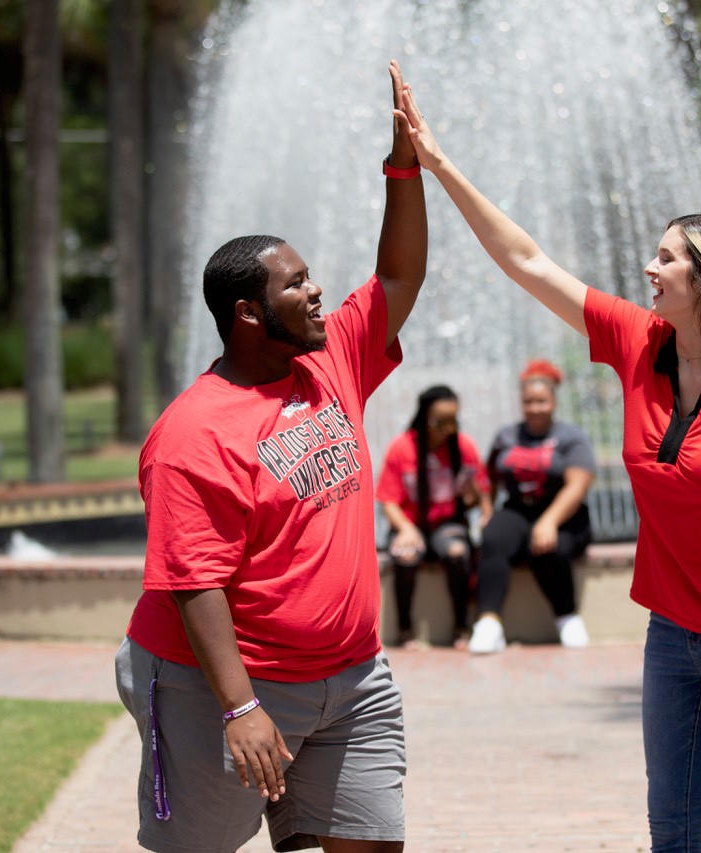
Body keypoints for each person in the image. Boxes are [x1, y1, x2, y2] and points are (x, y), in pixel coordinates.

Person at [391, 65, 701, 852]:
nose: (649, 269)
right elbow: (529, 262)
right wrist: (439, 165)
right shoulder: (638, 341)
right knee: (671, 832)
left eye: (666, 259)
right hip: (671, 630)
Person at [113, 61, 425, 853]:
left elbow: (398, 273)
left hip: (353, 677)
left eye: (312, 277)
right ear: (249, 312)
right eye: (297, 286)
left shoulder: (332, 359)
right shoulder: (194, 434)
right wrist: (239, 706)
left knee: (372, 841)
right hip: (217, 685)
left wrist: (405, 163)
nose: (317, 292)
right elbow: (193, 580)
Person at [466, 358, 596, 654]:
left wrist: (549, 521)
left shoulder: (570, 437)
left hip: (564, 513)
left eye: (541, 401)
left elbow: (578, 485)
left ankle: (567, 617)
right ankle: (488, 622)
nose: (534, 408)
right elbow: (490, 478)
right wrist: (486, 511)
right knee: (495, 538)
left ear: (553, 401)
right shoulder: (507, 435)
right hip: (518, 509)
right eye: (528, 402)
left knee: (550, 547)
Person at [377, 384, 492, 648]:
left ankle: (461, 626)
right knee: (405, 556)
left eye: (453, 420)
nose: (447, 428)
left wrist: (476, 498)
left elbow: (478, 500)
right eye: (440, 420)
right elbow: (387, 501)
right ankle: (406, 629)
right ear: (424, 416)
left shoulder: (463, 446)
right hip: (410, 522)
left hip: (447, 524)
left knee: (457, 552)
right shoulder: (402, 447)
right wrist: (406, 529)